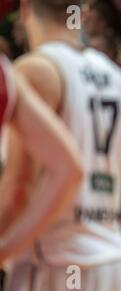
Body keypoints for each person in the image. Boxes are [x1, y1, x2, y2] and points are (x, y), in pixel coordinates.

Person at [3, 0, 121, 291]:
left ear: (25, 10)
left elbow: (18, 187)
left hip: (52, 260)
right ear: (83, 12)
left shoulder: (35, 71)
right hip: (110, 260)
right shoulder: (118, 78)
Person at [0, 53, 82, 265]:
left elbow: (18, 187)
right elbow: (68, 168)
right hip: (96, 246)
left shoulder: (30, 71)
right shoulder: (8, 75)